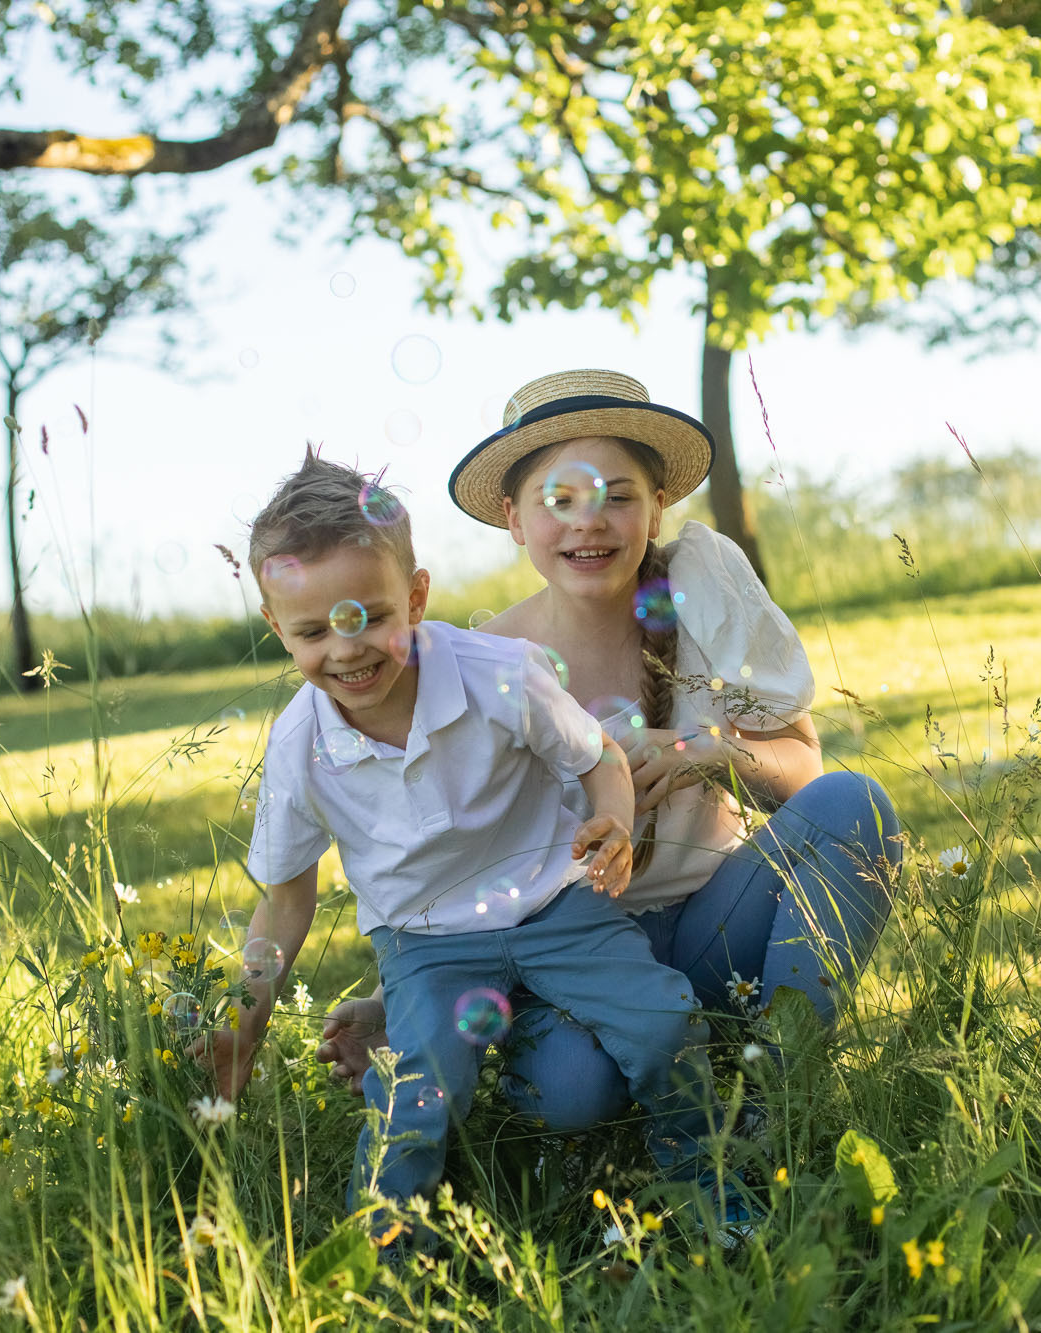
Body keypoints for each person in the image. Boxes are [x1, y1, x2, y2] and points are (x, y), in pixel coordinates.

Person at [318, 369, 899, 1131]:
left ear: (657, 505)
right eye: (558, 502)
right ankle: (603, 1064)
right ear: (514, 519)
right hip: (575, 956)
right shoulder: (485, 662)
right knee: (570, 1100)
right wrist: (395, 998)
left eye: (618, 496)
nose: (589, 522)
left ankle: (775, 1102)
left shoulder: (699, 586)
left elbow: (805, 775)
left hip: (717, 926)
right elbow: (451, 862)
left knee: (856, 803)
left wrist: (706, 749)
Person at [199, 450, 711, 1216]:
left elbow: (597, 753)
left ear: (415, 594)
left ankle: (712, 1180)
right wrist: (246, 1019)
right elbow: (286, 895)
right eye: (312, 631)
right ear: (276, 626)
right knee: (419, 1086)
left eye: (370, 617)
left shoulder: (499, 674)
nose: (346, 648)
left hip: (555, 907)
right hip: (426, 942)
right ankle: (388, 1249)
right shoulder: (299, 743)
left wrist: (612, 816)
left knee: (664, 1021)